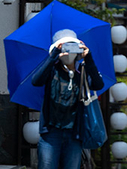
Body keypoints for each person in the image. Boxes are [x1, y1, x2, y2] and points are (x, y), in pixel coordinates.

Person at [29, 28, 105, 169]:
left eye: (71, 46)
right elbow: (36, 80)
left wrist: (88, 58)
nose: (68, 51)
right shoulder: (51, 71)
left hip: (74, 133)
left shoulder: (81, 73)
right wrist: (54, 56)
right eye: (64, 47)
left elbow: (98, 84)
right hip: (51, 133)